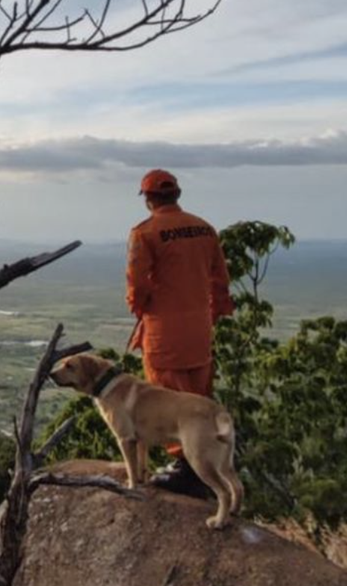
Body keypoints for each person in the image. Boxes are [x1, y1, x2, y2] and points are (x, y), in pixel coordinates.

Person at [125, 169, 234, 498]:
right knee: (199, 399)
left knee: (168, 403)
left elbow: (137, 285)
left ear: (148, 199)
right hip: (200, 331)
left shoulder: (145, 233)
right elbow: (220, 280)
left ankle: (187, 468)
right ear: (177, 194)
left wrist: (139, 307)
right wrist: (213, 313)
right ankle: (205, 464)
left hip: (164, 334)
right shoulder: (204, 228)